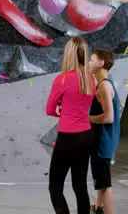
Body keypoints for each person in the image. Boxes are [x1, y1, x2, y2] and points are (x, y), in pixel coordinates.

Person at [46, 37, 96, 214]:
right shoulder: (90, 79)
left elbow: (50, 110)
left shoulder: (62, 79)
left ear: (68, 54)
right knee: (80, 185)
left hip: (68, 137)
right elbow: (79, 103)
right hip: (86, 135)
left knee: (55, 187)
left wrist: (61, 109)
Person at [88, 49, 121, 214]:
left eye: (91, 60)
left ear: (101, 63)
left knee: (105, 183)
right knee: (101, 179)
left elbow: (108, 118)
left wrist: (87, 118)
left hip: (103, 142)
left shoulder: (104, 86)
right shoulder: (106, 82)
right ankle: (99, 206)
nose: (89, 63)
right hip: (104, 141)